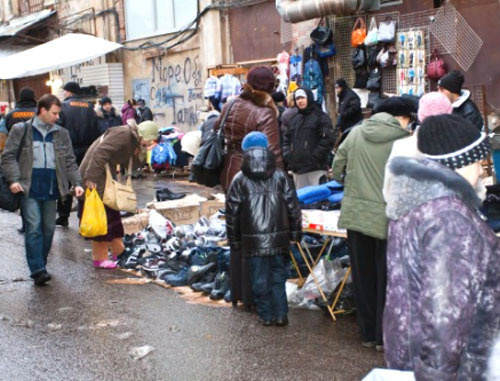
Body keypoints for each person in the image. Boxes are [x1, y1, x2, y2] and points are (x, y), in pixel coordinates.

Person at [384, 114, 499, 379]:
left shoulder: (418, 202)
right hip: (453, 369)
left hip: (411, 357)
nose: (483, 169)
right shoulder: (450, 218)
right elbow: (445, 319)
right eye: (478, 160)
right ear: (458, 162)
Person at [331, 96, 416, 351]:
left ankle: (367, 334)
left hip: (357, 217)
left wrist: (350, 183)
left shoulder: (355, 133)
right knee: (387, 278)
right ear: (401, 117)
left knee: (362, 276)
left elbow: (336, 168)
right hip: (389, 218)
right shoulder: (403, 141)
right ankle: (384, 337)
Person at [1, 94, 84, 285]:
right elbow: (8, 157)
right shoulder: (21, 130)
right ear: (42, 111)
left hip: (52, 187)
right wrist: (13, 179)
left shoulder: (62, 133)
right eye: (54, 113)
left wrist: (77, 183)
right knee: (34, 227)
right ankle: (37, 269)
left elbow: (70, 161)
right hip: (28, 186)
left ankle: (41, 263)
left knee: (48, 229)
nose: (57, 117)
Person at [226, 132, 302, 326]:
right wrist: (295, 233)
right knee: (278, 276)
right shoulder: (280, 176)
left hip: (253, 240)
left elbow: (232, 214)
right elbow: (293, 206)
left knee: (259, 279)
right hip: (279, 239)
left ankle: (266, 315)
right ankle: (281, 315)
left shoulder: (239, 179)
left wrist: (234, 240)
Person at [79, 120, 159, 269]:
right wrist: (90, 178)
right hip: (95, 174)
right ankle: (100, 258)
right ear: (145, 135)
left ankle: (119, 251)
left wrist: (141, 151)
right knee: (102, 218)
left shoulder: (135, 141)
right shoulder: (123, 134)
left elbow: (133, 167)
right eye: (150, 140)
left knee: (113, 215)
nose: (149, 143)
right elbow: (99, 153)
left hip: (105, 175)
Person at [217, 65, 283, 192]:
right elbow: (272, 152)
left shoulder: (229, 104)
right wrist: (281, 180)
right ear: (269, 87)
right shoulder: (265, 112)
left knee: (233, 210)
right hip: (253, 178)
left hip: (228, 172)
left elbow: (217, 129)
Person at [382, 91, 452, 200]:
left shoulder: (402, 146)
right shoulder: (459, 144)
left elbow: (389, 189)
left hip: (413, 212)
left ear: (420, 115)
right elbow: (476, 189)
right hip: (452, 212)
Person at [56, 81, 99, 227]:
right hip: (87, 150)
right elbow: (97, 129)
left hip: (68, 150)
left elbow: (58, 128)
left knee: (65, 183)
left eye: (65, 91)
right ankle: (84, 217)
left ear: (68, 92)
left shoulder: (63, 107)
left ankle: (63, 216)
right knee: (84, 182)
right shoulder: (90, 107)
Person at [282, 88, 335, 189]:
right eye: (297, 99)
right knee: (301, 202)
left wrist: (314, 157)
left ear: (309, 98)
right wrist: (289, 157)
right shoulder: (294, 120)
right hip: (298, 171)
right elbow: (286, 140)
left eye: (302, 98)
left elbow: (328, 139)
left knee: (318, 201)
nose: (300, 101)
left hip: (315, 169)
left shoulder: (321, 117)